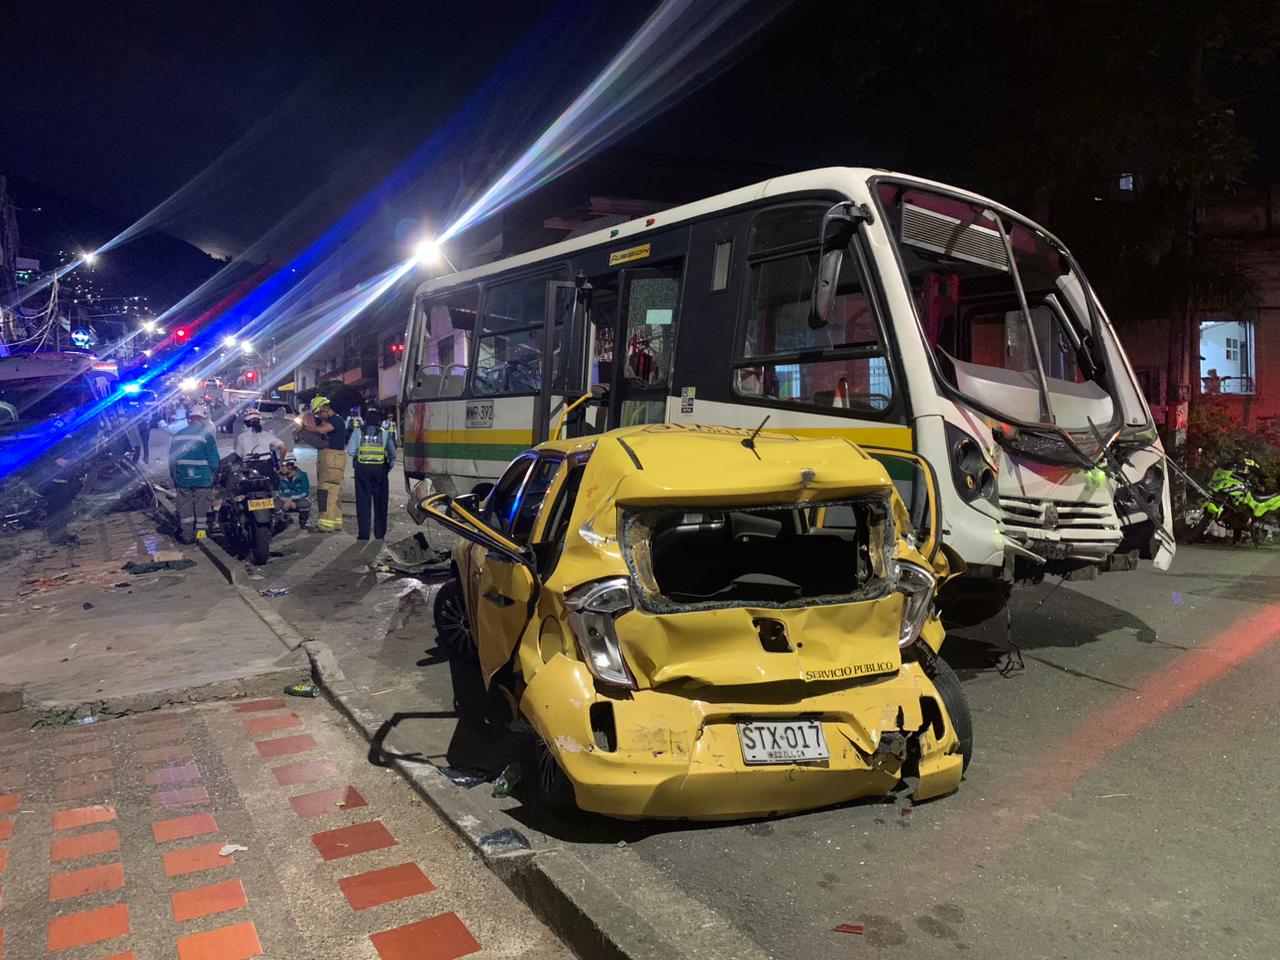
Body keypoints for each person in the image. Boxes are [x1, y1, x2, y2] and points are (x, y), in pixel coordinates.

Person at [168, 403, 220, 542]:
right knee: (201, 509)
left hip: (183, 479)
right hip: (202, 479)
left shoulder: (178, 436)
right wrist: (216, 475)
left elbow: (172, 461)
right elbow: (214, 460)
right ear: (203, 418)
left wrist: (175, 477)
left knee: (185, 509)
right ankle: (201, 536)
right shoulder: (206, 436)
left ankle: (187, 535)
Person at [346, 403, 395, 541]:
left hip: (362, 470)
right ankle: (379, 534)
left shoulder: (358, 432)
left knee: (363, 503)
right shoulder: (385, 434)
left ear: (366, 420)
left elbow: (350, 451)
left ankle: (364, 535)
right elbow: (392, 456)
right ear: (379, 421)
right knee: (381, 503)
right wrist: (386, 469)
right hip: (380, 471)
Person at [301, 396, 348, 532]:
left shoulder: (336, 420)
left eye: (319, 413)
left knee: (326, 490)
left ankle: (326, 524)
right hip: (331, 457)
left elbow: (321, 430)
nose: (319, 416)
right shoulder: (332, 420)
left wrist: (306, 427)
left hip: (333, 457)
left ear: (325, 408)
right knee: (334, 491)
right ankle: (336, 521)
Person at [277, 452, 313, 529]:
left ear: (290, 466)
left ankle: (303, 521)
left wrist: (291, 499)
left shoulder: (302, 476)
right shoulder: (279, 477)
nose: (281, 468)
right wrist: (287, 501)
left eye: (283, 466)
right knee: (274, 505)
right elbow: (279, 493)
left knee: (305, 503)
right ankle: (281, 520)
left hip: (297, 500)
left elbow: (304, 492)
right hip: (285, 500)